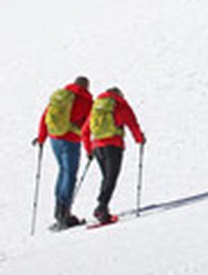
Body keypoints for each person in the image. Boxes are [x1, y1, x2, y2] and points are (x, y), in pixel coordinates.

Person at [34, 76, 93, 230]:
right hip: (70, 140)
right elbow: (87, 127)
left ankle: (59, 211)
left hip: (54, 139)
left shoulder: (61, 96)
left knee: (63, 171)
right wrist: (90, 149)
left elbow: (45, 116)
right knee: (70, 174)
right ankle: (64, 214)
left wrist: (41, 138)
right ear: (86, 86)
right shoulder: (86, 100)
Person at [81, 87, 145, 225]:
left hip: (97, 146)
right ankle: (102, 208)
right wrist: (139, 139)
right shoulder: (121, 105)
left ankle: (102, 207)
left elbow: (85, 131)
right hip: (113, 145)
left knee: (106, 178)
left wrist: (89, 150)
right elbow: (132, 123)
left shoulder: (97, 107)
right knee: (111, 178)